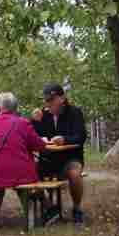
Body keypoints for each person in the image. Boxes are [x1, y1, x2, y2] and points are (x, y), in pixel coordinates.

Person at [0, 91, 47, 229]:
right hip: (20, 172)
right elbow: (39, 146)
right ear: (15, 108)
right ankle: (30, 217)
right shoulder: (23, 123)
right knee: (22, 182)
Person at [32, 83, 88, 225]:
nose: (48, 104)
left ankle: (77, 208)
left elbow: (81, 136)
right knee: (26, 173)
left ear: (62, 99)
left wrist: (65, 139)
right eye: (46, 101)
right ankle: (50, 208)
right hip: (48, 159)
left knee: (75, 173)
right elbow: (33, 136)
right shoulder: (43, 115)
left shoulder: (74, 112)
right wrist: (34, 121)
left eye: (51, 100)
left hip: (70, 158)